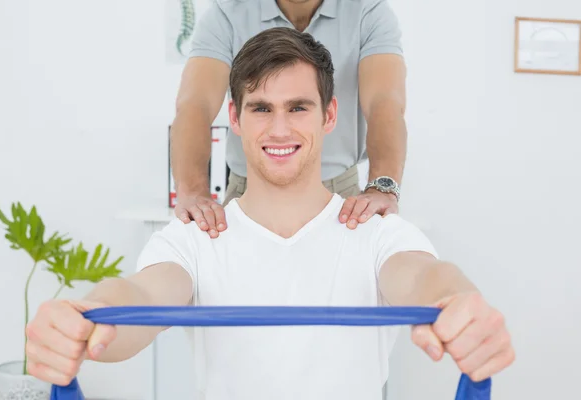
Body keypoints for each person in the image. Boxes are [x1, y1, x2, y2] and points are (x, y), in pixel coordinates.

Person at [25, 28, 514, 400]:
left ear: (328, 116)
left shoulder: (376, 233)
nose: (279, 128)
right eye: (261, 108)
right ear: (235, 118)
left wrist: (459, 300)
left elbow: (427, 277)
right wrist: (83, 321)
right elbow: (134, 302)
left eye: (298, 107)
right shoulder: (195, 240)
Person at [172, 0, 409, 239]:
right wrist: (192, 191)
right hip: (248, 193)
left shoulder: (367, 11)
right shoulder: (226, 14)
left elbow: (384, 101)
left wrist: (383, 187)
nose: (280, 131)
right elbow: (196, 104)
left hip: (341, 197)